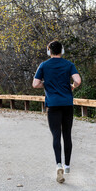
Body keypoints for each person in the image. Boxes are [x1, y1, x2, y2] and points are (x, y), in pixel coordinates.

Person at [32, 40, 81, 183]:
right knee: (67, 135)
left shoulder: (44, 65)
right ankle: (67, 166)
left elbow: (35, 84)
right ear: (62, 51)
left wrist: (45, 84)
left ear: (49, 51)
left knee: (56, 136)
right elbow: (78, 80)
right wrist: (72, 86)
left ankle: (58, 164)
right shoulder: (68, 64)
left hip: (52, 105)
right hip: (67, 104)